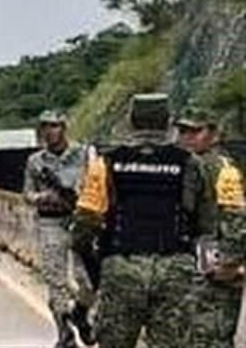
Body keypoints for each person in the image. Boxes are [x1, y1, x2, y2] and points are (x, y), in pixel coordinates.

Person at [71, 93, 243, 348]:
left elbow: (86, 220)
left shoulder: (106, 161)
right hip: (176, 271)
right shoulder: (192, 163)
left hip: (121, 268)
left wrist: (93, 261)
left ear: (130, 121)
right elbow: (208, 222)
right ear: (167, 122)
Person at [23, 109, 96, 348]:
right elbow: (27, 194)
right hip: (51, 222)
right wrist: (44, 197)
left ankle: (80, 313)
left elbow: (96, 183)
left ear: (64, 128)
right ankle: (64, 333)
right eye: (44, 126)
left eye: (54, 126)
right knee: (56, 281)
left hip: (79, 221)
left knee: (88, 280)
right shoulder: (36, 161)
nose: (49, 132)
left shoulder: (84, 154)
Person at [176, 105, 246, 348]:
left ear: (214, 134)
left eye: (195, 131)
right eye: (183, 131)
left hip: (216, 264)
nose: (186, 137)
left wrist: (229, 264)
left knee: (213, 337)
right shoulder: (194, 164)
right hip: (197, 261)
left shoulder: (220, 169)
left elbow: (237, 219)